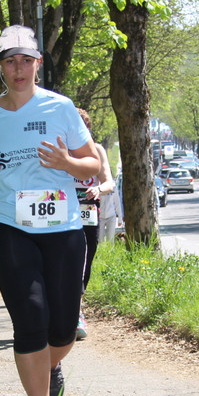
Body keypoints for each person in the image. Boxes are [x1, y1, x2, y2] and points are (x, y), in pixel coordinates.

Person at [0, 24, 99, 396]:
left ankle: (51, 365)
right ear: (0, 66)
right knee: (30, 318)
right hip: (8, 225)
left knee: (62, 327)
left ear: (38, 63)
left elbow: (92, 165)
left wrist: (66, 164)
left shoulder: (61, 108)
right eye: (10, 61)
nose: (18, 69)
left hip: (63, 226)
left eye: (26, 60)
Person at [74, 108, 117, 340]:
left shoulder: (97, 150)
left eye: (84, 129)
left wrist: (98, 188)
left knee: (85, 261)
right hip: (60, 212)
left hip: (88, 211)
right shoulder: (61, 150)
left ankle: (77, 311)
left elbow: (108, 182)